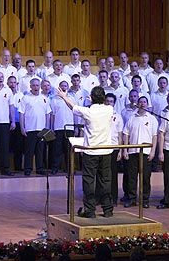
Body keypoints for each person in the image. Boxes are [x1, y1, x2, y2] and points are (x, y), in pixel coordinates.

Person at [56, 86, 114, 218]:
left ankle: (90, 210)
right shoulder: (109, 109)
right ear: (104, 98)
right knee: (105, 181)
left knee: (89, 181)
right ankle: (108, 210)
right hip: (105, 151)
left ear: (92, 98)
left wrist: (64, 96)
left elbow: (73, 107)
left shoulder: (88, 111)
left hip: (91, 151)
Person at [122, 96, 158, 208]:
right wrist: (125, 150)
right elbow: (126, 134)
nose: (142, 104)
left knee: (145, 178)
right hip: (132, 152)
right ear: (137, 104)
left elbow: (154, 137)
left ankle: (145, 200)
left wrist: (153, 152)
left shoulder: (152, 119)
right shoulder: (131, 117)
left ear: (147, 104)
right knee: (131, 177)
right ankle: (132, 199)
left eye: (144, 102)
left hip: (146, 152)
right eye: (140, 102)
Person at [19, 78, 51, 176]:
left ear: (40, 86)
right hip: (30, 128)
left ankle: (40, 168)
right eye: (34, 85)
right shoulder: (25, 98)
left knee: (40, 150)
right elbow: (21, 114)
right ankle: (28, 168)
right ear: (30, 86)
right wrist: (22, 127)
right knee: (29, 150)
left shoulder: (44, 98)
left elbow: (48, 114)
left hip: (42, 129)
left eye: (37, 85)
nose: (35, 87)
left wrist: (47, 128)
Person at [51, 81, 75, 175]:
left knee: (68, 149)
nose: (64, 87)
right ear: (59, 88)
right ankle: (55, 168)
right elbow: (52, 114)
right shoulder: (54, 99)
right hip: (58, 127)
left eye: (65, 86)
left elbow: (76, 113)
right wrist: (52, 127)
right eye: (62, 86)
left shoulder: (72, 98)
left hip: (70, 127)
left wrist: (76, 127)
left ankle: (69, 168)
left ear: (68, 87)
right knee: (57, 149)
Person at [104, 93, 123, 206]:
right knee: (102, 174)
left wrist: (120, 150)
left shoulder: (118, 116)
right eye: (107, 101)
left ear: (114, 103)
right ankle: (101, 198)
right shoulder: (101, 114)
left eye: (111, 101)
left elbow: (120, 135)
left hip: (114, 148)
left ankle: (113, 198)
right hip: (102, 147)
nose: (109, 103)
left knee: (113, 175)